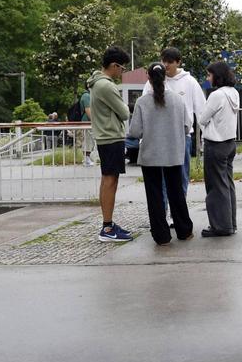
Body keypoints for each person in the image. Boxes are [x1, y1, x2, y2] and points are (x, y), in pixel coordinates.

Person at [128, 63, 194, 245]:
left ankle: (161, 235)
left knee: (155, 195)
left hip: (150, 155)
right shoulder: (178, 100)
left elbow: (135, 132)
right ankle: (184, 230)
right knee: (176, 192)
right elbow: (188, 126)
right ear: (166, 77)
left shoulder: (142, 102)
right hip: (173, 153)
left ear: (148, 77)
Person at [142, 48, 206, 219]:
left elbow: (201, 109)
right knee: (160, 179)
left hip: (181, 138)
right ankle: (161, 214)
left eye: (170, 61)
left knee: (181, 177)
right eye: (164, 60)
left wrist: (206, 136)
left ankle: (177, 215)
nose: (166, 64)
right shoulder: (153, 81)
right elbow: (144, 109)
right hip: (158, 138)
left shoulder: (190, 82)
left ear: (178, 62)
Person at [87, 46, 133, 241]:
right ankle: (106, 228)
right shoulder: (106, 85)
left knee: (108, 179)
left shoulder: (97, 82)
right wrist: (124, 107)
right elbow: (124, 113)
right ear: (114, 65)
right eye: (122, 68)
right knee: (110, 180)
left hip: (106, 136)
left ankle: (108, 223)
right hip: (110, 136)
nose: (122, 72)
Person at [198, 61, 240, 237]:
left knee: (216, 187)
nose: (208, 78)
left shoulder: (216, 95)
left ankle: (220, 226)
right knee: (227, 184)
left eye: (209, 75)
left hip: (215, 144)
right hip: (230, 143)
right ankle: (230, 223)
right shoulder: (234, 92)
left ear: (217, 75)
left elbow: (202, 118)